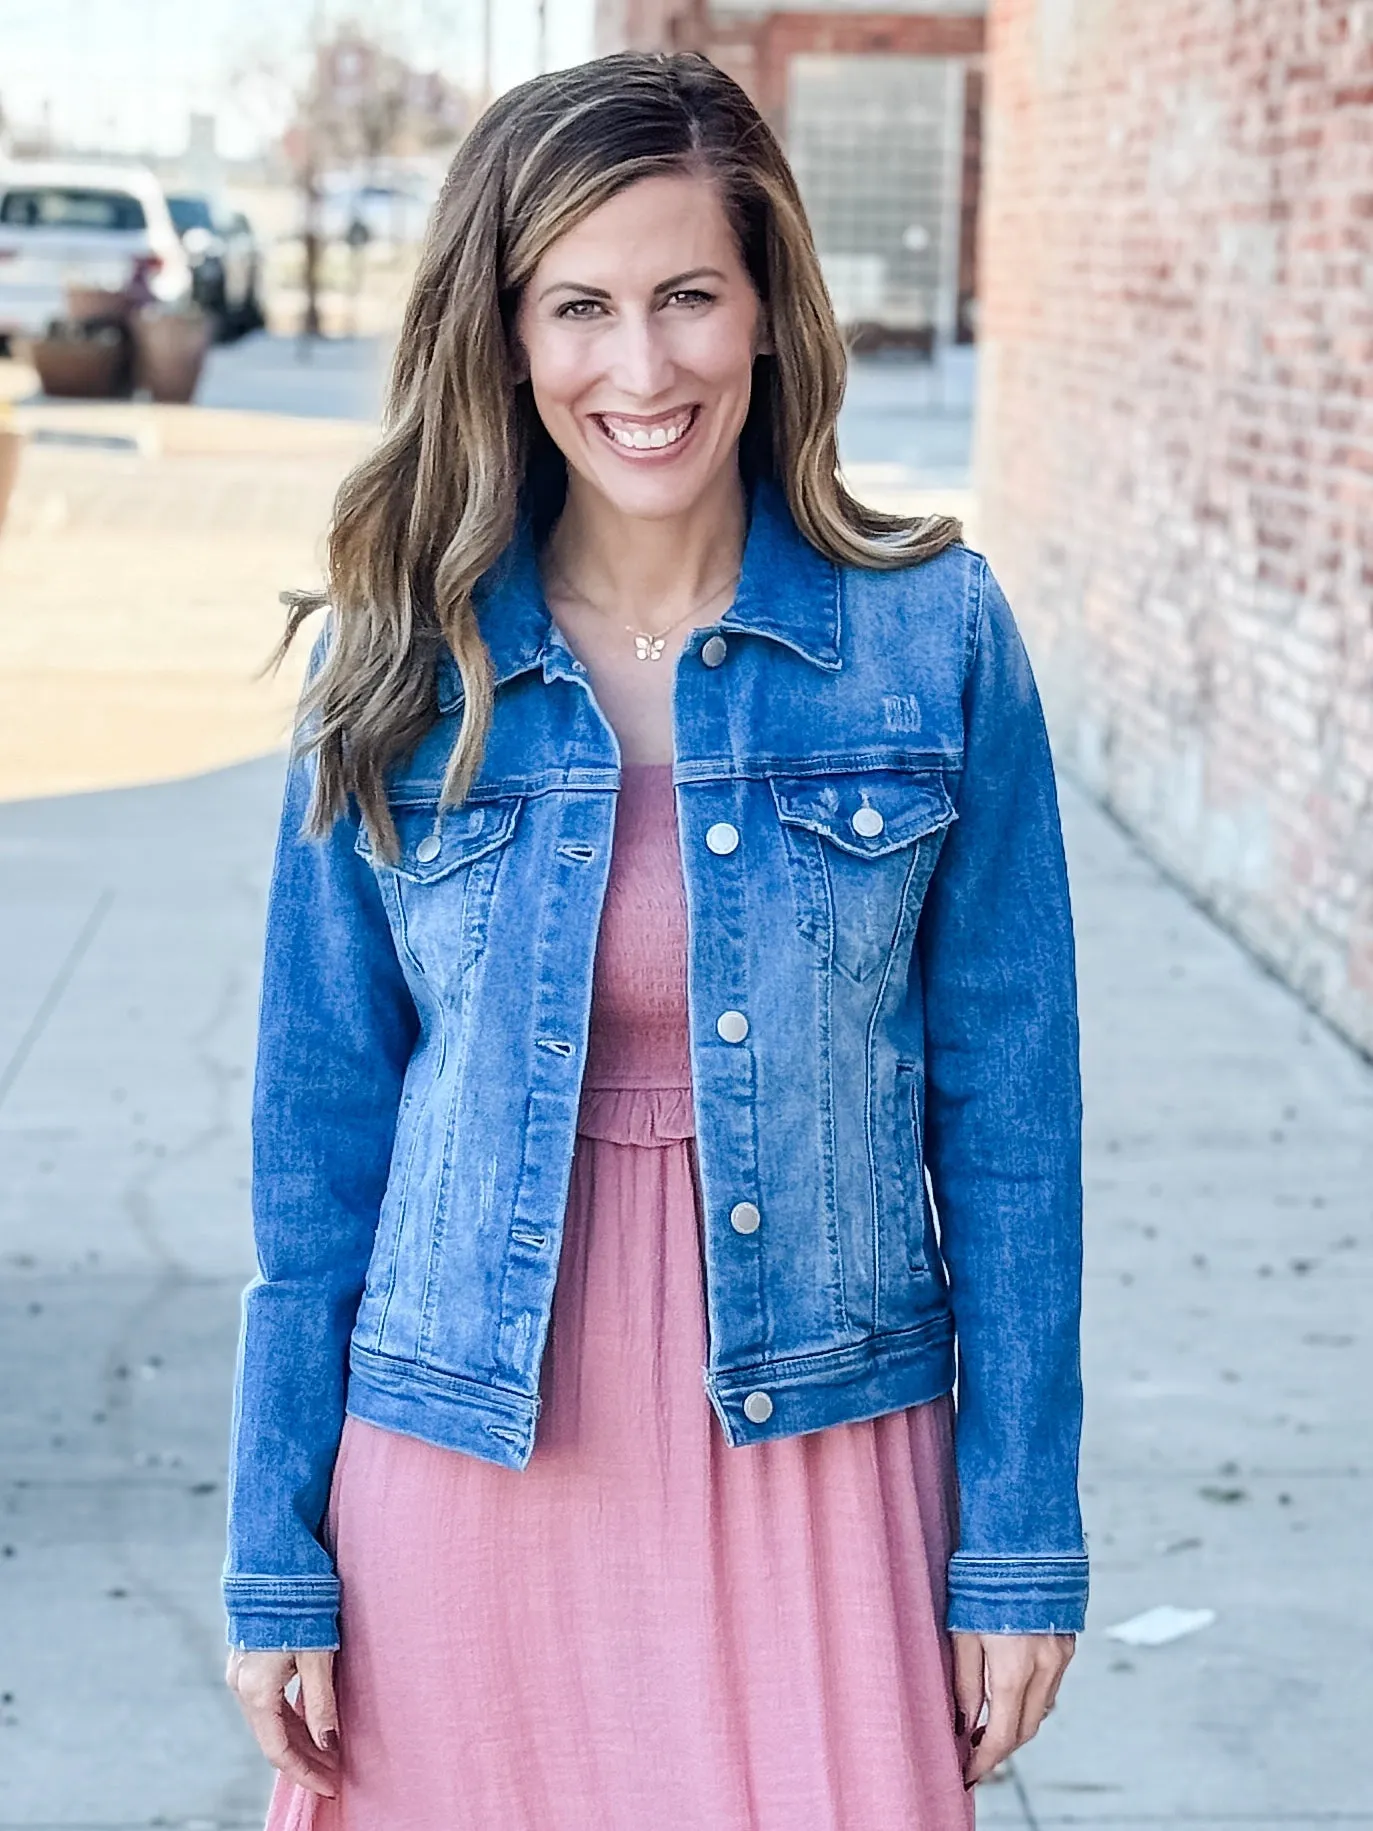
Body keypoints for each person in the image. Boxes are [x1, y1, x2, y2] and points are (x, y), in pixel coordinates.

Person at [223, 50, 1086, 1831]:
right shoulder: (394, 673)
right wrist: (275, 1551)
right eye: (582, 307)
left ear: (769, 309)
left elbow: (1012, 1135)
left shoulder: (935, 642)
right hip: (466, 1447)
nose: (642, 366)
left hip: (825, 1453)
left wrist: (1020, 1535)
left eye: (690, 295)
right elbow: (318, 1152)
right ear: (509, 334)